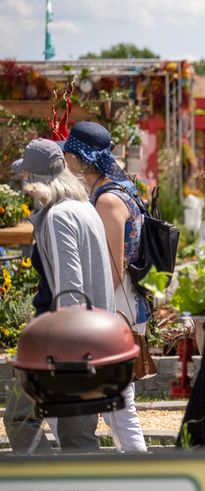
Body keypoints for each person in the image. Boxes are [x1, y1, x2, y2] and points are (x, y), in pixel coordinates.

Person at [3, 138, 114, 453]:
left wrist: (58, 350)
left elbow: (70, 287)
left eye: (27, 176)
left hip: (65, 342)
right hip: (95, 338)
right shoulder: (85, 208)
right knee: (78, 435)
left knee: (19, 418)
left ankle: (46, 480)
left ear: (38, 179)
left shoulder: (57, 217)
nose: (24, 184)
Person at [61, 121, 148, 452]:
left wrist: (90, 314)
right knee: (119, 406)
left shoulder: (108, 201)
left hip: (115, 307)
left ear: (79, 159)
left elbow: (112, 269)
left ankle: (143, 473)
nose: (66, 162)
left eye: (68, 155)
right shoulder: (119, 190)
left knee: (121, 407)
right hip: (125, 305)